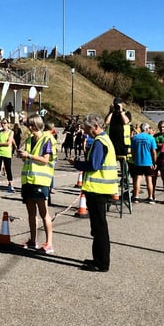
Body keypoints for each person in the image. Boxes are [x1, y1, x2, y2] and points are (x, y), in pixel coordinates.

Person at [72, 113, 118, 272]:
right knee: (98, 227)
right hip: (102, 189)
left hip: (98, 190)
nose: (85, 132)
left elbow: (94, 165)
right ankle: (98, 259)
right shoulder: (105, 140)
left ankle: (102, 262)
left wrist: (77, 164)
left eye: (87, 129)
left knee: (99, 228)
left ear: (96, 127)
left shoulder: (99, 142)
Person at [18, 114, 56, 254]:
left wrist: (29, 156)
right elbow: (28, 157)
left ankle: (49, 243)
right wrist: (22, 155)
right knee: (31, 213)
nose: (27, 127)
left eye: (29, 125)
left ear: (34, 125)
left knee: (44, 212)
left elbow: (45, 159)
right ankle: (33, 240)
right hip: (28, 180)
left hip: (41, 180)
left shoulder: (47, 139)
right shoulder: (29, 140)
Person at [130, 123, 157, 203]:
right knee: (149, 180)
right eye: (149, 128)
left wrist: (134, 159)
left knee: (138, 179)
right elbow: (153, 152)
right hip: (148, 162)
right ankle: (150, 197)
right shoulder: (151, 138)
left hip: (138, 161)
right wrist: (154, 162)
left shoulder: (135, 138)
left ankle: (136, 196)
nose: (150, 129)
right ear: (146, 129)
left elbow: (132, 151)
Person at [0, 119, 16, 192]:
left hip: (7, 153)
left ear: (8, 124)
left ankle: (10, 185)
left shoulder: (11, 132)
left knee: (8, 169)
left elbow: (8, 143)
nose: (3, 125)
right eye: (2, 123)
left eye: (5, 123)